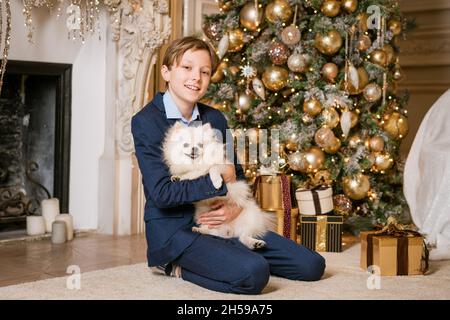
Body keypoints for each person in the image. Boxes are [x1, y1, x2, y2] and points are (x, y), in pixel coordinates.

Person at [131, 36, 325, 294]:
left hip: (229, 222)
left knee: (312, 265)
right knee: (254, 274)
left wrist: (235, 207)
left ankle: (227, 253)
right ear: (166, 72)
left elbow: (238, 175)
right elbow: (162, 193)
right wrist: (217, 183)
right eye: (187, 68)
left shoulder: (215, 118)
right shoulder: (146, 121)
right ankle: (172, 265)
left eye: (204, 71)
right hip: (178, 230)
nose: (196, 78)